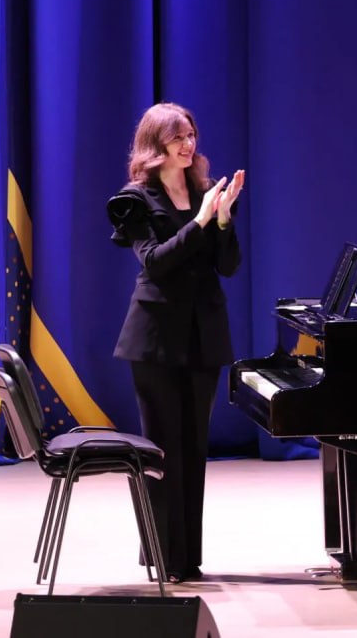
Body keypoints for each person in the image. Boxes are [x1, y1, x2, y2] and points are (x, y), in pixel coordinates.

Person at [106, 102, 246, 584]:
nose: (189, 144)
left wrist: (222, 220)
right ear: (156, 144)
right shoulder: (135, 199)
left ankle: (189, 559)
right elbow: (156, 262)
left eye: (191, 135)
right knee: (163, 449)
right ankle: (164, 556)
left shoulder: (206, 193)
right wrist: (200, 222)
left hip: (204, 334)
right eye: (179, 137)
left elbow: (228, 266)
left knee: (193, 445)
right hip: (155, 338)